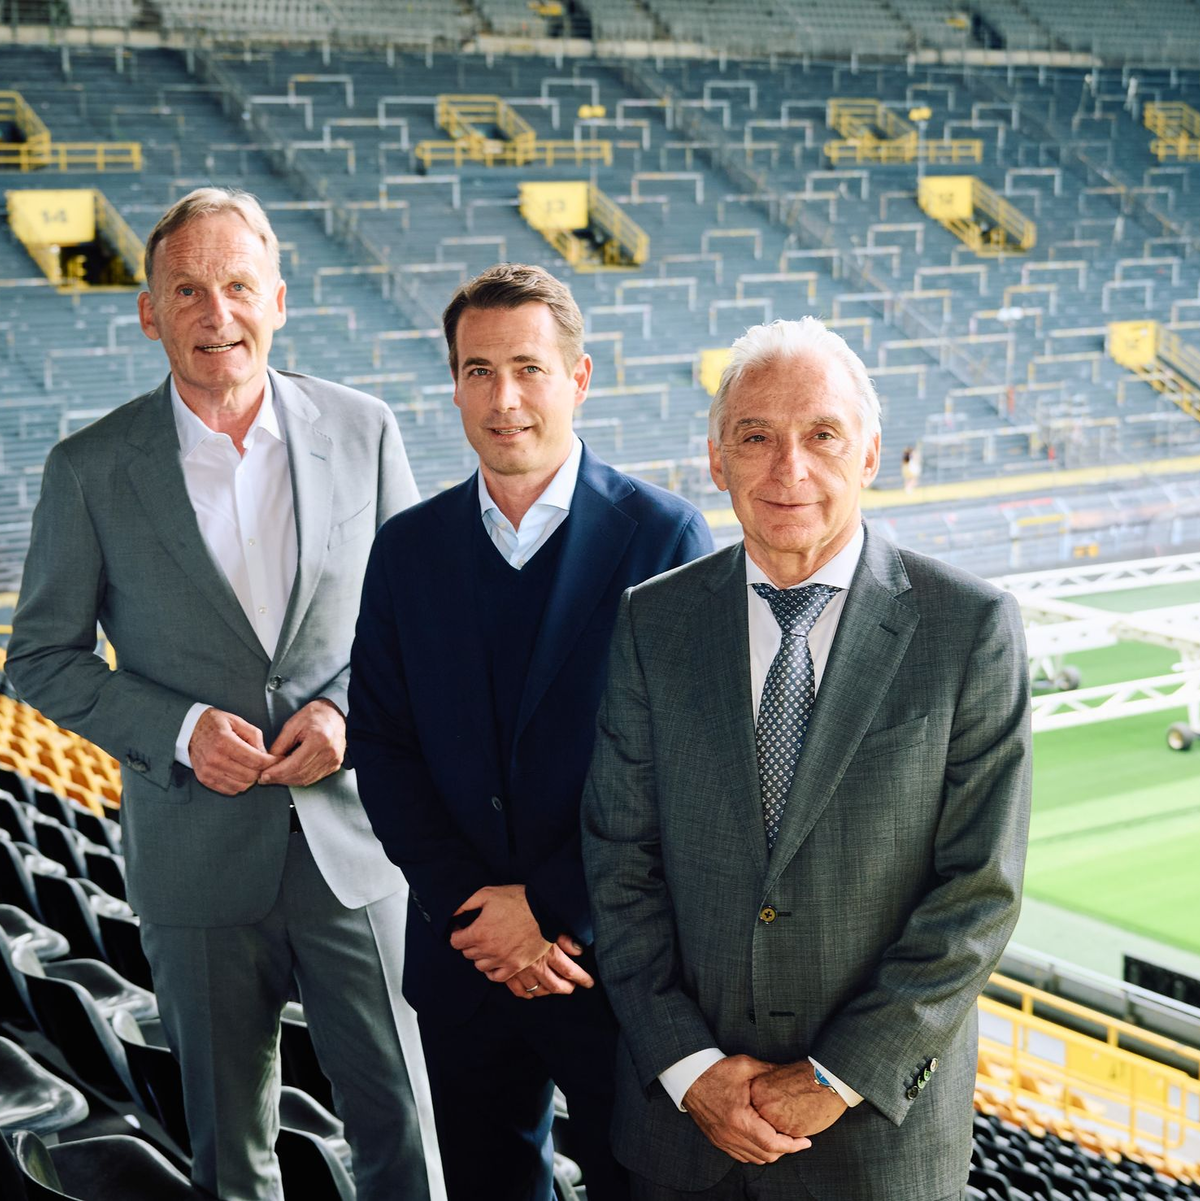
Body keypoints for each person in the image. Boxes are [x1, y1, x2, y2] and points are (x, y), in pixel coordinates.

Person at [6, 187, 440, 1201]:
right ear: (150, 310)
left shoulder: (365, 430)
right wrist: (182, 727)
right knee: (232, 1162)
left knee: (408, 1136)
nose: (218, 313)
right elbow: (39, 658)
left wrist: (344, 711)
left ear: (278, 299)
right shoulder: (89, 470)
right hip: (195, 865)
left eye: (239, 285)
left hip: (355, 853)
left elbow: (418, 624)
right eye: (189, 289)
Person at [582, 317, 1031, 1201]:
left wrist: (835, 1077)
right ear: (717, 463)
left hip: (876, 1149)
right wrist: (690, 1067)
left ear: (869, 454)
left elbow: (979, 892)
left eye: (821, 435)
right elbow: (617, 862)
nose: (789, 469)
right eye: (756, 437)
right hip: (685, 1141)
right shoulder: (652, 622)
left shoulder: (968, 629)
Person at [346, 262, 713, 1201]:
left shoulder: (665, 539)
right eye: (477, 371)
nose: (502, 399)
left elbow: (683, 770)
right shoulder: (407, 546)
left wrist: (550, 910)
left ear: (579, 377)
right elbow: (382, 747)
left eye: (528, 368)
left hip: (610, 967)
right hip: (465, 961)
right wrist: (474, 908)